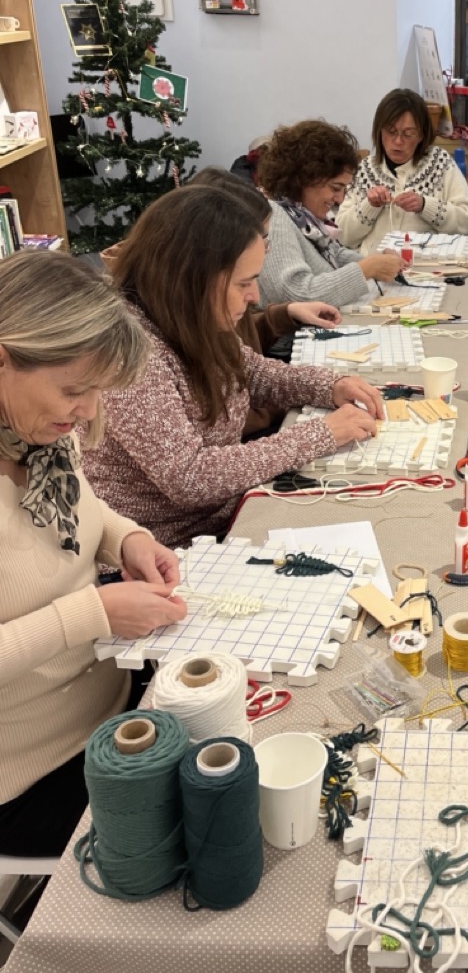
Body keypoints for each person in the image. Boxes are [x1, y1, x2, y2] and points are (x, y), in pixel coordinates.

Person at [0, 252, 187, 856]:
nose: (85, 412)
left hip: (117, 700)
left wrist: (127, 538)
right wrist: (94, 614)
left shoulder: (35, 437)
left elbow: (83, 508)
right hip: (31, 770)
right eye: (75, 390)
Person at [83, 184, 384, 549]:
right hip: (167, 551)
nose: (255, 295)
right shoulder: (130, 353)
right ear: (192, 278)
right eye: (245, 282)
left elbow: (254, 374)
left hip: (225, 517)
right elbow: (190, 477)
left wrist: (331, 385)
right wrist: (321, 434)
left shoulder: (191, 315)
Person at [256, 119, 405, 308]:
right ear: (305, 178)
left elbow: (331, 254)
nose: (340, 199)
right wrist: (367, 269)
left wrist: (376, 262)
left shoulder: (300, 215)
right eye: (335, 188)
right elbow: (296, 296)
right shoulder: (274, 219)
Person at [335, 89, 468, 255]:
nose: (398, 141)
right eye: (391, 131)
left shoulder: (440, 164)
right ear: (379, 131)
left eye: (408, 134)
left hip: (427, 271)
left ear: (421, 135)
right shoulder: (365, 170)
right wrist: (369, 206)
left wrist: (425, 205)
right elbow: (342, 236)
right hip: (374, 273)